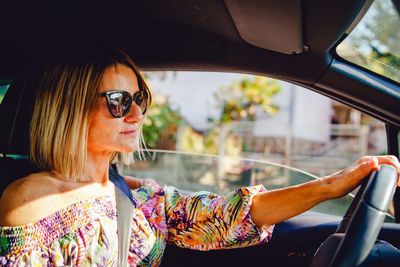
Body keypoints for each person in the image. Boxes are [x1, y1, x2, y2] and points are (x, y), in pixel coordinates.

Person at [0, 47, 399, 266]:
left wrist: (330, 186)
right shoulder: (31, 202)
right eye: (119, 101)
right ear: (70, 108)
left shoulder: (132, 195)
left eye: (140, 98)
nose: (138, 114)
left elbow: (223, 216)